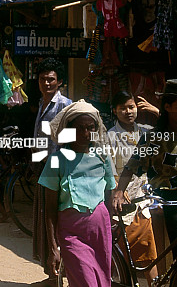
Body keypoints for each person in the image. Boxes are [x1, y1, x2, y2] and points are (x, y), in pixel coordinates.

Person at [112, 80, 177, 262]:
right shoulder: (153, 138)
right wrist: (119, 192)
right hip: (167, 205)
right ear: (168, 107)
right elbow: (131, 167)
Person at [39, 100, 116, 286]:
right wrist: (53, 248)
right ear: (69, 130)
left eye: (90, 128)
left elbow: (110, 193)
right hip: (71, 233)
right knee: (85, 281)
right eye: (80, 128)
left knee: (102, 281)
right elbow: (49, 209)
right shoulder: (57, 160)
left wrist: (109, 223)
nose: (85, 134)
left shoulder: (103, 156)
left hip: (99, 231)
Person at [106, 91, 158, 285]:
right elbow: (109, 168)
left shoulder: (146, 131)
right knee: (119, 254)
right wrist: (118, 189)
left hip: (143, 201)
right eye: (123, 108)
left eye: (131, 107)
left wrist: (157, 112)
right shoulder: (110, 136)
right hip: (121, 201)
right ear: (115, 111)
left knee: (148, 254)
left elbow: (171, 134)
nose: (128, 111)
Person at [31, 57, 72, 282]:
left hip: (58, 169)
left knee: (56, 219)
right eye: (43, 79)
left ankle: (61, 272)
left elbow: (68, 141)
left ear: (59, 82)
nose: (47, 83)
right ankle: (51, 273)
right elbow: (40, 140)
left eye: (51, 80)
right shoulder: (42, 103)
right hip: (43, 168)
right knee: (44, 218)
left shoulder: (65, 105)